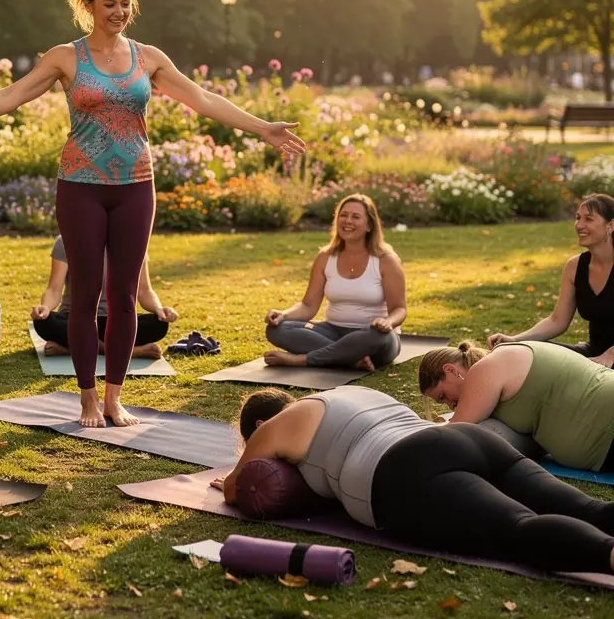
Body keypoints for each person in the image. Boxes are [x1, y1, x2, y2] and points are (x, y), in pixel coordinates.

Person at [0, 0, 304, 428]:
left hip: (136, 186)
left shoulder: (148, 58)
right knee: (87, 292)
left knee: (125, 292)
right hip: (81, 187)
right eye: (110, 3)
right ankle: (87, 399)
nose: (119, 12)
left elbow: (204, 99)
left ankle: (115, 398)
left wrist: (263, 128)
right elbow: (8, 96)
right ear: (89, 5)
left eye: (126, 3)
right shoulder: (65, 57)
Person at [214, 386, 614, 576]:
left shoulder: (275, 428)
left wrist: (234, 475)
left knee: (520, 529)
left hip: (405, 470)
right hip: (468, 440)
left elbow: (237, 488)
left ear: (260, 425)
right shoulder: (347, 392)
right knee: (588, 508)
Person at [418, 339, 614, 472]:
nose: (450, 405)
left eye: (443, 396)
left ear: (451, 370)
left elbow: (455, 434)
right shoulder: (503, 357)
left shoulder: (485, 370)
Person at [263, 195, 406, 371]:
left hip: (371, 334)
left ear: (369, 225)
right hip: (332, 331)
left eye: (355, 217)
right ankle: (349, 358)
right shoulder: (325, 257)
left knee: (378, 337)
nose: (348, 221)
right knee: (277, 330)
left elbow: (400, 309)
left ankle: (302, 360)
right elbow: (308, 306)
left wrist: (388, 323)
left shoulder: (386, 260)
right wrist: (283, 315)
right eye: (343, 215)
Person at [487, 194, 614, 365]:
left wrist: (610, 356)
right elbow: (557, 321)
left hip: (607, 358)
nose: (579, 225)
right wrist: (514, 340)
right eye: (578, 218)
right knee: (523, 351)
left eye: (589, 219)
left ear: (611, 225)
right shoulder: (574, 267)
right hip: (593, 356)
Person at [31, 236, 177, 359]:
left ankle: (71, 349)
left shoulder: (134, 241)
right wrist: (45, 308)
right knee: (44, 323)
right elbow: (53, 290)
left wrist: (159, 309)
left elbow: (145, 291)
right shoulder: (66, 240)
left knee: (158, 325)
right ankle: (129, 351)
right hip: (76, 320)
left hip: (118, 322)